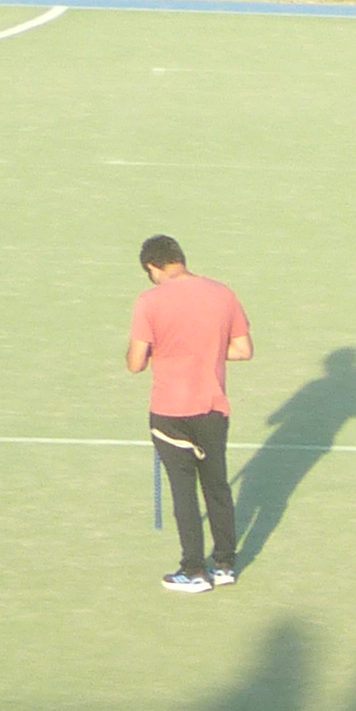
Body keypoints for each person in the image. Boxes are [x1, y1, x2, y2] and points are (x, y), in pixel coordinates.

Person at [128, 233, 252, 595]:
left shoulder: (149, 301)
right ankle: (225, 564)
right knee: (217, 486)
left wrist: (165, 352)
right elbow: (243, 350)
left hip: (170, 411)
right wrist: (206, 349)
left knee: (184, 491)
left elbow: (136, 363)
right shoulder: (223, 293)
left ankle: (194, 570)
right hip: (213, 407)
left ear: (152, 266)